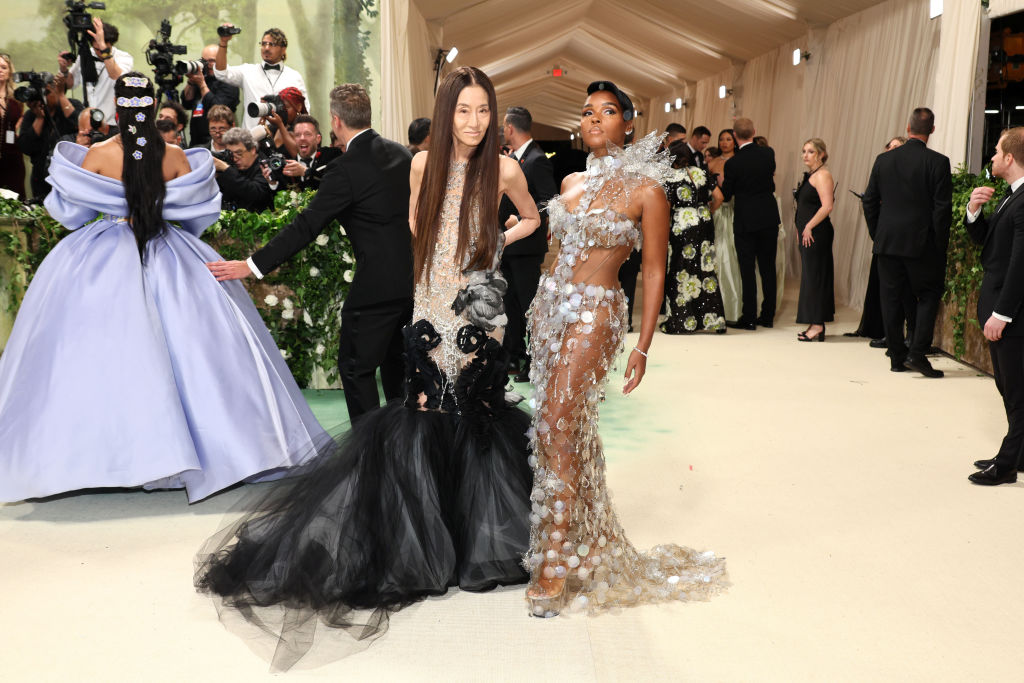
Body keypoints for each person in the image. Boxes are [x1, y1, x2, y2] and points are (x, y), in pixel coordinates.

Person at [195, 66, 541, 670]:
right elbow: (413, 222)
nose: (474, 122)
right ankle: (432, 540)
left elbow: (533, 218)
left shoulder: (506, 169)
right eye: (463, 111)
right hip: (433, 297)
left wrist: (498, 243)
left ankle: (478, 537)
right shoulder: (417, 164)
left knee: (479, 408)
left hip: (483, 300)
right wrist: (434, 272)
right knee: (430, 406)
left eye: (483, 110)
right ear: (444, 112)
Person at [0, 72, 327, 503]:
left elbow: (69, 210)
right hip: (171, 254)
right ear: (154, 107)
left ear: (117, 108)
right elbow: (197, 212)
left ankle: (95, 455)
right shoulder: (176, 157)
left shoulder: (97, 154)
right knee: (195, 353)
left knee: (88, 355)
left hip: (98, 257)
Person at [524, 80, 727, 618]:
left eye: (607, 112)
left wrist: (642, 346)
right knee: (557, 427)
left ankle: (554, 558)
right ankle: (579, 541)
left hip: (597, 313)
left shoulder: (646, 189)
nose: (594, 119)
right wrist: (535, 314)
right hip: (548, 312)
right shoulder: (568, 182)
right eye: (588, 112)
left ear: (628, 124)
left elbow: (656, 269)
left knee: (557, 418)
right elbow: (553, 255)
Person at [206, 84, 411, 422]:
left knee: (356, 367)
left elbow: (305, 227)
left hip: (374, 286)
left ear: (335, 122)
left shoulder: (344, 170)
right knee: (397, 368)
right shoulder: (401, 154)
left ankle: (370, 454)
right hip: (411, 282)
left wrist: (251, 265)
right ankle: (404, 445)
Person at [862, 107, 952, 377]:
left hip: (887, 241)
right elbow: (941, 210)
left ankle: (896, 358)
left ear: (907, 127)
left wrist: (877, 233)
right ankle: (917, 353)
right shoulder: (938, 162)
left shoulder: (883, 160)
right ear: (932, 130)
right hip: (921, 243)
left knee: (890, 299)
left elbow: (869, 201)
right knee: (928, 294)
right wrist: (939, 244)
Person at [966, 127, 1024, 485]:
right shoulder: (1011, 195)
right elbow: (990, 248)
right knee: (1008, 387)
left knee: (1018, 393)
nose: (991, 157)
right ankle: (1016, 455)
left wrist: (1001, 314)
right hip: (1002, 309)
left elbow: (1020, 264)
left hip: (1013, 315)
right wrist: (973, 211)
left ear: (1009, 158)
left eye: (996, 151)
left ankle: (1006, 465)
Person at [499, 105, 556, 382]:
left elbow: (548, 201)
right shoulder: (515, 158)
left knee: (529, 306)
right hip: (509, 246)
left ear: (510, 128)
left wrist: (520, 217)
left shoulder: (537, 159)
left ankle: (536, 362)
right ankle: (514, 354)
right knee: (510, 304)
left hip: (526, 246)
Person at [849, 136, 911, 344]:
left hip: (904, 241)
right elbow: (870, 201)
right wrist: (876, 233)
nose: (892, 150)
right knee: (885, 290)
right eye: (890, 147)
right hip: (884, 239)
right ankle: (886, 333)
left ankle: (902, 338)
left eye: (897, 147)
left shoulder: (909, 173)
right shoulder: (881, 168)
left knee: (903, 292)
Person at [721, 117, 781, 329]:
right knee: (767, 267)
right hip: (768, 216)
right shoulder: (768, 153)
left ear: (735, 136)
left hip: (746, 219)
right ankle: (768, 316)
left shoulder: (733, 163)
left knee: (747, 269)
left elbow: (726, 196)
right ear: (754, 132)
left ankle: (749, 317)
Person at [661, 139, 726, 334]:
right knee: (705, 268)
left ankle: (683, 321)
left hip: (683, 223)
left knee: (680, 270)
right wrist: (707, 211)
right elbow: (720, 197)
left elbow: (667, 207)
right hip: (704, 221)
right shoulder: (702, 173)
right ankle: (713, 320)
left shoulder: (670, 178)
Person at [214, 25, 307, 130]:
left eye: (272, 44)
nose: (266, 48)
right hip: (251, 140)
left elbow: (304, 109)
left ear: (283, 49)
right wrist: (223, 42)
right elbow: (221, 73)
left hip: (283, 139)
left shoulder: (294, 76)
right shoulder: (248, 71)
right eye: (263, 44)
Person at [795, 138, 835, 342]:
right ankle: (815, 322)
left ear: (821, 154)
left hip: (817, 233)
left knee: (816, 277)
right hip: (808, 233)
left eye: (810, 151)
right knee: (811, 277)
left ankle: (818, 325)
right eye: (804, 151)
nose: (805, 155)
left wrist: (809, 226)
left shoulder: (823, 175)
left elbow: (827, 206)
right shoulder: (812, 175)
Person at [17, 73, 81, 199]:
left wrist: (61, 96)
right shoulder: (31, 115)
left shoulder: (72, 105)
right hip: (41, 179)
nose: (42, 98)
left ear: (57, 91)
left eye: (47, 93)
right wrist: (39, 119)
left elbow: (80, 124)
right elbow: (25, 147)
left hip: (68, 178)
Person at [60, 19, 132, 125]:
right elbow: (70, 84)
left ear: (111, 44)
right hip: (88, 123)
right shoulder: (86, 54)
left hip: (111, 123)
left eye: (102, 48)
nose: (99, 52)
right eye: (96, 49)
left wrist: (103, 48)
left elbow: (115, 75)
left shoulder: (124, 57)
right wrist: (64, 69)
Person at [181, 45, 240, 148]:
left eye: (212, 61)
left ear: (222, 60)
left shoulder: (229, 81)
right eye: (204, 61)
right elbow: (186, 103)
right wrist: (191, 81)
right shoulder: (202, 79)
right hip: (195, 142)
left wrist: (202, 84)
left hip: (218, 143)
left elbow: (218, 109)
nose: (208, 65)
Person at [272, 114, 341, 192]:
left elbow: (335, 184)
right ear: (294, 139)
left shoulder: (332, 155)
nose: (302, 138)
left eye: (307, 134)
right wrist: (272, 182)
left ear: (318, 139)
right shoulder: (288, 165)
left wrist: (305, 172)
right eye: (297, 135)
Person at [212, 127, 274, 212]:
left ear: (252, 150)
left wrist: (226, 169)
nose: (234, 158)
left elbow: (255, 194)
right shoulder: (232, 163)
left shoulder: (264, 165)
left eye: (239, 153)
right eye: (231, 154)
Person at [0, 53, 26, 198]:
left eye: (4, 67)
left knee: (14, 198)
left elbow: (22, 117)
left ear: (9, 71)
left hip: (12, 157)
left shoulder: (17, 97)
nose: (0, 70)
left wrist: (17, 127)